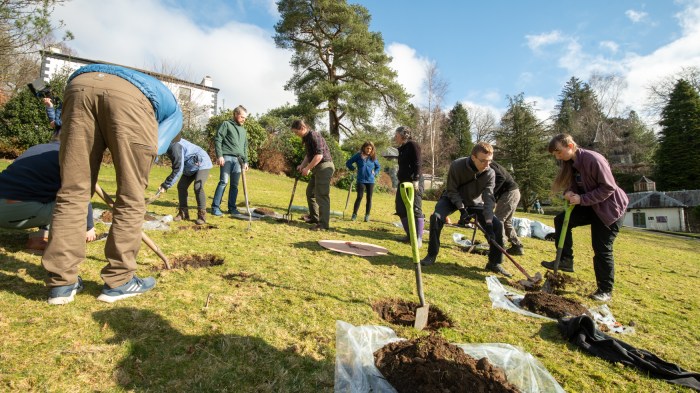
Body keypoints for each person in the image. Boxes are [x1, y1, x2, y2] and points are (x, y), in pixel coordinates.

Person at [41, 63, 183, 305]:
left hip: (78, 87)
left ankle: (62, 284)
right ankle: (120, 281)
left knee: (73, 192)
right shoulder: (175, 116)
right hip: (131, 100)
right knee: (131, 195)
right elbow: (158, 147)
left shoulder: (153, 87)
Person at [540, 133, 629, 302]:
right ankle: (566, 260)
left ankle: (605, 290)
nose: (557, 156)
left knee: (602, 248)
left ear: (570, 146)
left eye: (559, 152)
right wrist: (568, 193)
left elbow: (608, 188)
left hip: (610, 209)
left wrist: (582, 199)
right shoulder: (570, 164)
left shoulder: (594, 159)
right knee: (560, 220)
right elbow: (572, 186)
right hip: (592, 206)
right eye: (555, 154)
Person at [420, 142, 512, 277]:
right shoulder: (457, 165)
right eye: (483, 161)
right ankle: (431, 254)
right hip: (451, 198)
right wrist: (462, 210)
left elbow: (488, 199)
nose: (487, 165)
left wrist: (489, 223)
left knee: (497, 225)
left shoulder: (490, 173)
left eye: (490, 161)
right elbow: (451, 190)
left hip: (474, 202)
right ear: (473, 157)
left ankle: (494, 262)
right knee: (436, 217)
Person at [0, 140, 96, 251]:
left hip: (7, 201)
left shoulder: (37, 149)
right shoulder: (70, 157)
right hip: (10, 212)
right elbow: (80, 194)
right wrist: (89, 227)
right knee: (70, 203)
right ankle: (40, 238)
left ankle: (43, 227)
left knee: (49, 192)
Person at [158, 137, 213, 225]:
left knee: (198, 187)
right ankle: (183, 213)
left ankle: (201, 215)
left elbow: (178, 168)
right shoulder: (166, 144)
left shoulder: (175, 146)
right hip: (190, 166)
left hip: (202, 163)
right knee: (181, 186)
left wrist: (166, 185)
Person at [291, 119, 335, 231]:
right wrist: (302, 165)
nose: (296, 135)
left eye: (296, 132)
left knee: (322, 195)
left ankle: (323, 224)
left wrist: (307, 168)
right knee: (310, 192)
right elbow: (309, 155)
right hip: (318, 168)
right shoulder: (306, 138)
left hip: (325, 167)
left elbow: (319, 156)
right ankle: (314, 218)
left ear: (302, 128)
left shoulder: (314, 135)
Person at [211, 105, 249, 217]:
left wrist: (246, 161)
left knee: (234, 185)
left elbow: (245, 146)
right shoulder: (226, 124)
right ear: (236, 114)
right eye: (242, 117)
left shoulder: (243, 130)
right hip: (227, 157)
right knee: (223, 182)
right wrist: (219, 155)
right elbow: (218, 139)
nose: (244, 120)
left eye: (245, 118)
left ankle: (232, 208)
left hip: (239, 160)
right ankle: (215, 208)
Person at [393, 126, 424, 246]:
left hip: (413, 182)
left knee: (416, 208)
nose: (395, 137)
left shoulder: (412, 145)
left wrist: (416, 179)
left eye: (396, 135)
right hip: (403, 183)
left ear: (403, 135)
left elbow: (418, 162)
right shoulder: (402, 148)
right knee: (400, 208)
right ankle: (410, 236)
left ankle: (418, 239)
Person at [490, 161, 525, 255]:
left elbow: (501, 178)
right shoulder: (489, 164)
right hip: (514, 192)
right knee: (506, 221)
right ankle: (517, 246)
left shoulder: (489, 164)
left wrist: (492, 194)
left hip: (509, 193)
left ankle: (500, 246)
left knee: (498, 220)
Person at [345, 141, 381, 222]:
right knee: (359, 197)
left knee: (369, 198)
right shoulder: (358, 155)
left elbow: (378, 167)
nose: (369, 150)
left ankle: (367, 216)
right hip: (361, 180)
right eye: (367, 148)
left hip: (371, 181)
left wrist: (375, 172)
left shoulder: (373, 157)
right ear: (364, 148)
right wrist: (354, 169)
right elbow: (348, 163)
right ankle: (354, 215)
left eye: (370, 149)